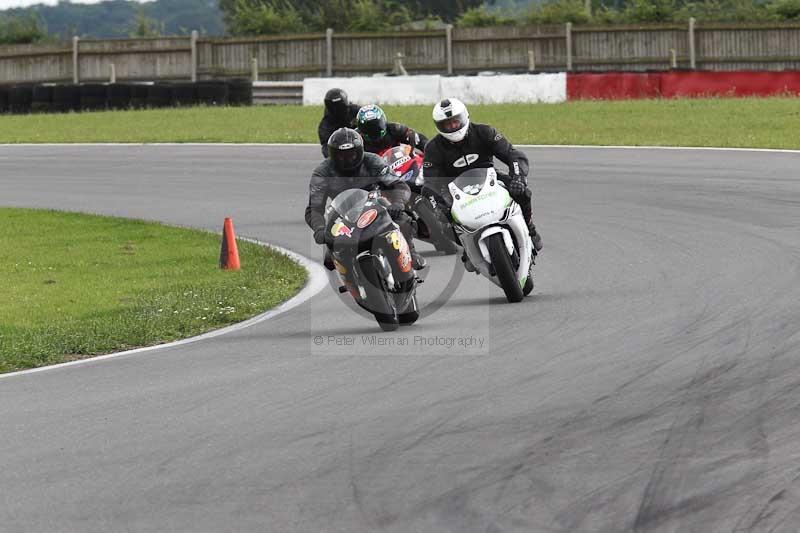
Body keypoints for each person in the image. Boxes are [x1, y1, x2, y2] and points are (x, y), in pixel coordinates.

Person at [422, 97, 543, 254]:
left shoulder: (484, 132)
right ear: (440, 126)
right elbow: (430, 182)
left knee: (523, 192)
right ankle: (467, 248)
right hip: (454, 190)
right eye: (447, 124)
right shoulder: (433, 148)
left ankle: (529, 227)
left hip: (490, 177)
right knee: (442, 219)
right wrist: (439, 205)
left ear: (464, 117)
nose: (453, 126)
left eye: (456, 121)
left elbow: (513, 154)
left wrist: (518, 178)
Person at [305, 127, 426, 270]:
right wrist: (319, 229)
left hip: (375, 205)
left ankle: (410, 253)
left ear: (360, 151)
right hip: (344, 215)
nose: (347, 159)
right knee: (330, 261)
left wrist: (397, 203)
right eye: (341, 156)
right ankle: (351, 280)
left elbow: (398, 185)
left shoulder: (373, 161)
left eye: (352, 155)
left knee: (403, 219)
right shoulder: (322, 173)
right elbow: (314, 208)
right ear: (332, 155)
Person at [355, 104, 428, 154]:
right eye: (369, 127)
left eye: (377, 125)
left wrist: (429, 154)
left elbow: (418, 139)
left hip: (398, 167)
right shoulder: (355, 138)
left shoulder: (394, 129)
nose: (374, 130)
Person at [318, 88, 361, 158]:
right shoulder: (326, 125)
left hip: (362, 147)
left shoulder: (355, 110)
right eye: (341, 106)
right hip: (342, 155)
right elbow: (326, 148)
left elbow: (367, 118)